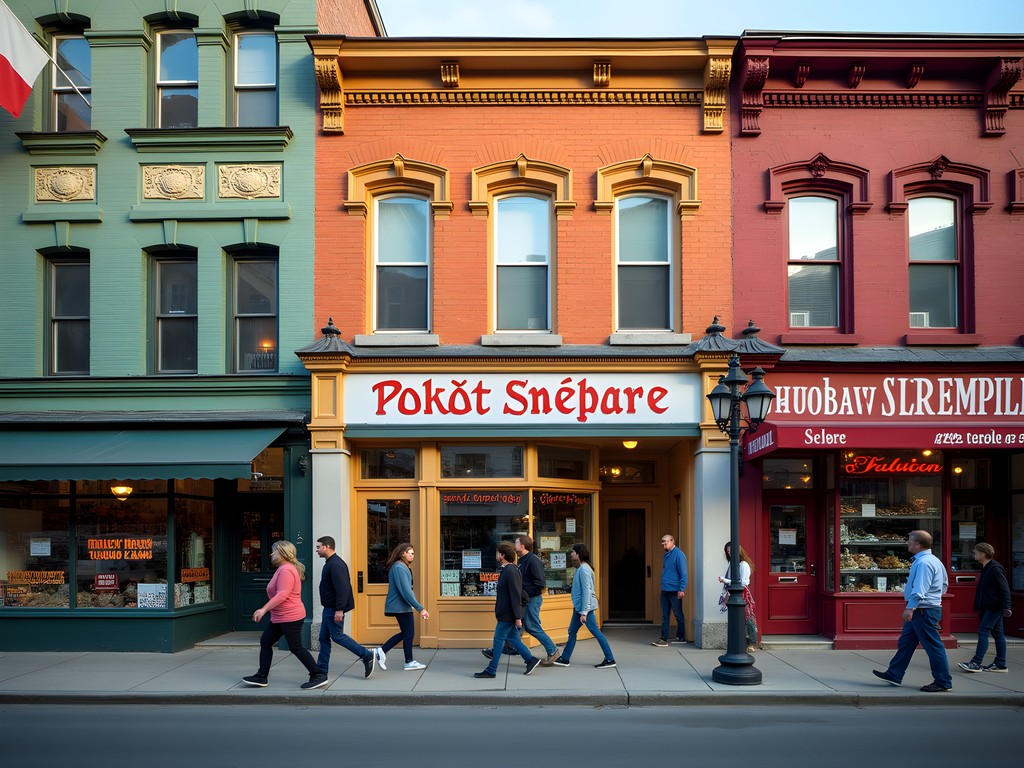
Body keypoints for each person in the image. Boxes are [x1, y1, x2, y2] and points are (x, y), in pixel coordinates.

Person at [872, 530, 953, 692]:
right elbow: (944, 585)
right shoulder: (934, 560)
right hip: (926, 608)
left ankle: (943, 681)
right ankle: (894, 673)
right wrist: (934, 598)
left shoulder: (923, 563)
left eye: (910, 540)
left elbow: (920, 589)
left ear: (918, 544)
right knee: (906, 642)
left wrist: (911, 607)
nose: (907, 543)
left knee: (933, 646)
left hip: (922, 610)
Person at [242, 540, 327, 690]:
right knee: (266, 641)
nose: (271, 554)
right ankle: (262, 676)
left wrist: (263, 609)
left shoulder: (286, 570)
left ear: (282, 553)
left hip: (290, 616)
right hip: (281, 616)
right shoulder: (283, 569)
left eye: (273, 551)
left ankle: (318, 675)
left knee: (296, 647)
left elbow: (282, 595)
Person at [474, 541, 542, 678]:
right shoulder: (508, 569)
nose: (496, 555)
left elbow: (515, 595)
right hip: (506, 614)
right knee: (513, 638)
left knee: (498, 640)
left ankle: (492, 669)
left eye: (497, 553)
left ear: (502, 555)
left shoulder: (510, 570)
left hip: (508, 615)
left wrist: (518, 617)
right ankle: (530, 659)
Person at [314, 536, 376, 679]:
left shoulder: (335, 564)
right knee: (323, 637)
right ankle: (321, 670)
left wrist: (339, 609)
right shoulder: (331, 563)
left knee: (337, 636)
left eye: (318, 547)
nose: (317, 550)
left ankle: (367, 655)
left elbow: (343, 588)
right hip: (329, 608)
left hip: (333, 608)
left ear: (327, 546)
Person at [552, 543, 616, 669]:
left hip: (584, 608)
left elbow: (587, 591)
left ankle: (610, 659)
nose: (571, 554)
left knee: (596, 633)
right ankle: (565, 659)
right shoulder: (583, 568)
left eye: (573, 552)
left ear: (578, 554)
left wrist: (584, 612)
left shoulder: (584, 569)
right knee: (572, 631)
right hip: (580, 607)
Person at [958, 542, 1012, 673]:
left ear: (983, 554)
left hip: (995, 606)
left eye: (975, 552)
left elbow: (1004, 588)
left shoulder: (995, 568)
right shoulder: (987, 567)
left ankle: (976, 663)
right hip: (990, 606)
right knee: (998, 634)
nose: (973, 554)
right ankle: (1000, 663)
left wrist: (1007, 607)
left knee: (983, 631)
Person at [376, 542, 430, 671]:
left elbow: (407, 591)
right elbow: (406, 591)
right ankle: (385, 652)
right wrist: (420, 608)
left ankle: (403, 659)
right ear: (402, 554)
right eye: (409, 553)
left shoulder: (401, 567)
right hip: (399, 606)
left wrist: (413, 605)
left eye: (413, 553)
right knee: (408, 633)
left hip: (401, 606)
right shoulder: (399, 567)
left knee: (407, 633)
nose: (412, 555)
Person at [716, 541, 758, 652]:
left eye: (731, 551)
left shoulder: (743, 565)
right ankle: (742, 643)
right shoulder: (731, 564)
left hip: (743, 593)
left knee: (747, 618)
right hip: (733, 594)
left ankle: (752, 643)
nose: (729, 554)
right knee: (738, 619)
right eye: (728, 552)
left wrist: (725, 580)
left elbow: (743, 582)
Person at [652, 534, 688, 647]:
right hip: (665, 590)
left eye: (665, 541)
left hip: (674, 590)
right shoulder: (667, 555)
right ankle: (664, 638)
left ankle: (681, 637)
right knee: (665, 615)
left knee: (678, 614)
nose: (663, 543)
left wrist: (681, 589)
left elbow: (684, 573)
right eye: (662, 541)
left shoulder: (678, 554)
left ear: (672, 541)